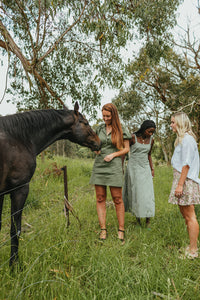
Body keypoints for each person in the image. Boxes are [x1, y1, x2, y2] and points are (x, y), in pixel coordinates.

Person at [90, 103, 132, 242]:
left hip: (114, 165)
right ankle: (103, 229)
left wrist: (113, 155)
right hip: (99, 165)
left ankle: (121, 230)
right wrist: (96, 150)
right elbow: (95, 144)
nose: (105, 118)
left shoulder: (122, 129)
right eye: (103, 116)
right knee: (100, 198)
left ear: (114, 115)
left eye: (108, 116)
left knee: (117, 199)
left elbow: (126, 149)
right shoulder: (100, 128)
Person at [169, 112, 200, 259]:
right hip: (181, 180)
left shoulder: (187, 140)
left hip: (186, 181)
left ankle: (193, 251)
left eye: (173, 122)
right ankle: (191, 246)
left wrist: (180, 185)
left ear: (180, 123)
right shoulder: (182, 140)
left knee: (190, 216)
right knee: (186, 216)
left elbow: (186, 164)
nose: (171, 125)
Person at [123, 120, 156, 227]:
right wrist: (121, 166)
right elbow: (124, 151)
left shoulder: (151, 140)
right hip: (133, 168)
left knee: (147, 194)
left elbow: (149, 154)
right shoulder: (132, 137)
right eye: (149, 131)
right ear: (143, 129)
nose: (150, 134)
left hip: (145, 167)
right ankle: (137, 219)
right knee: (136, 193)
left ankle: (148, 221)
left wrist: (152, 168)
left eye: (152, 132)